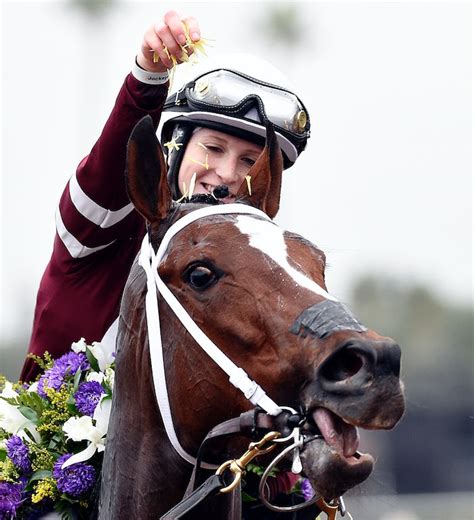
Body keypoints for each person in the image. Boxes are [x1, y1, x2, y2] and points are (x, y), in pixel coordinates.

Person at [20, 10, 311, 382]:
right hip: (39, 440)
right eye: (214, 147)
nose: (226, 173)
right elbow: (115, 162)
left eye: (249, 161)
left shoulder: (255, 294)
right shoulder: (105, 226)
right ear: (174, 150)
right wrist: (149, 76)